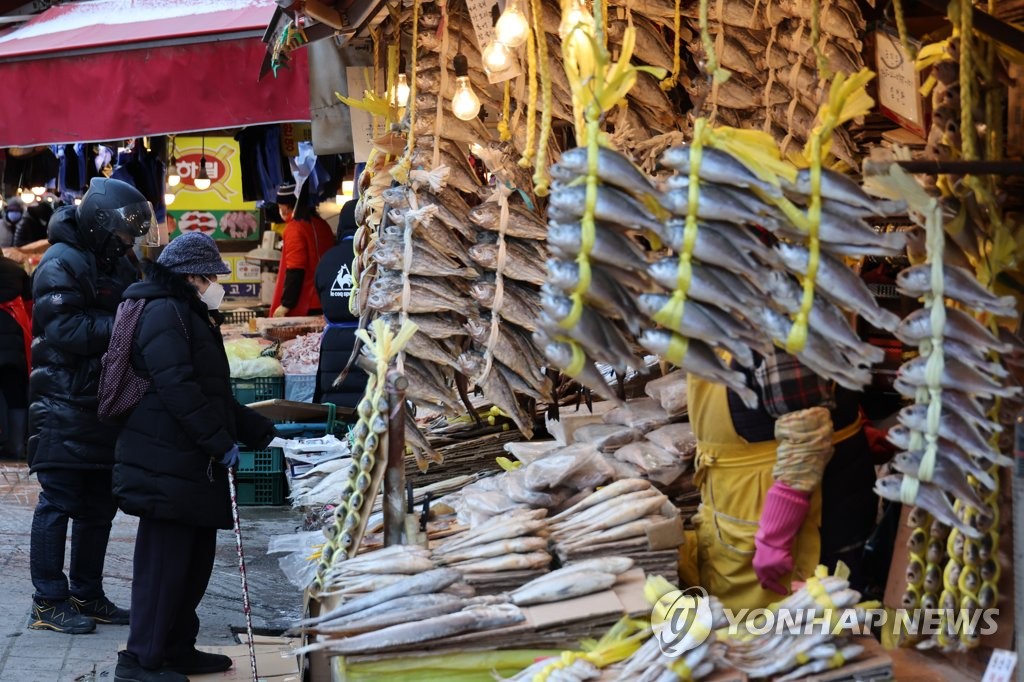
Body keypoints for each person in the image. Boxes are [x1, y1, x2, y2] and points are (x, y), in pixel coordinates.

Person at [111, 232, 277, 682]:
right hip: (166, 459)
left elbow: (209, 390)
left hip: (188, 460)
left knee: (193, 562)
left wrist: (252, 428)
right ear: (189, 275)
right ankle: (140, 660)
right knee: (163, 566)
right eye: (210, 277)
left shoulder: (188, 311)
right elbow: (177, 389)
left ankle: (177, 647)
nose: (215, 285)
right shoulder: (164, 312)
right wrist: (217, 441)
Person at [27, 177, 151, 633]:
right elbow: (67, 330)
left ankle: (87, 594)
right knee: (57, 502)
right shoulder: (61, 261)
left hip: (103, 401)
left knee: (100, 506)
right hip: (62, 401)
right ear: (100, 225)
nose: (125, 244)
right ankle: (47, 601)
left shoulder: (115, 261)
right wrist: (127, 324)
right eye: (121, 235)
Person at [679, 349, 876, 610]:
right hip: (738, 507)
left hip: (799, 522)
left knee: (808, 630)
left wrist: (775, 537)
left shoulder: (773, 330)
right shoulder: (727, 316)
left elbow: (806, 436)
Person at [313, 199, 367, 407]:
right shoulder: (372, 257)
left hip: (333, 345)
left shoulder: (327, 259)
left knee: (336, 406)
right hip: (368, 341)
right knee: (364, 406)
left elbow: (320, 293)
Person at [270, 182, 334, 318]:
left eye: (279, 205)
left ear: (287, 206)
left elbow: (296, 269)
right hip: (327, 299)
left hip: (306, 304)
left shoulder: (294, 228)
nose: (279, 208)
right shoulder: (323, 225)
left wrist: (286, 305)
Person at [0, 251, 31, 459]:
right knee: (16, 395)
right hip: (14, 343)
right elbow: (30, 304)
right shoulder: (16, 271)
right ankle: (17, 445)